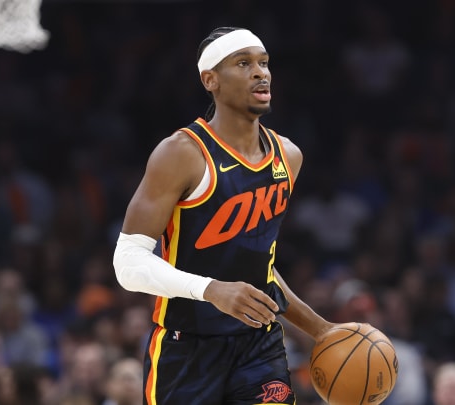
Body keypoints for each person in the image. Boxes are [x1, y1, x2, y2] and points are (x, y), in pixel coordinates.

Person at [112, 27, 335, 404]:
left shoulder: (288, 157)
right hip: (187, 348)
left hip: (258, 345)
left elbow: (259, 268)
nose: (260, 72)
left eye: (264, 63)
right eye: (243, 63)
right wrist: (212, 290)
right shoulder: (181, 154)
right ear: (210, 79)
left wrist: (322, 330)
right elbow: (127, 264)